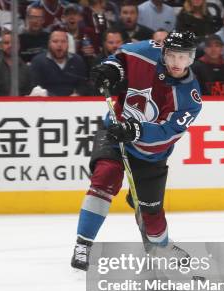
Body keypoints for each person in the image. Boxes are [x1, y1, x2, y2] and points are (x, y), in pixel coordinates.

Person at [71, 31, 202, 272]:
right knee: (104, 179)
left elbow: (167, 133)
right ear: (163, 51)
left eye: (183, 58)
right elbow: (120, 59)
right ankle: (83, 244)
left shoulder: (190, 99)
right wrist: (110, 70)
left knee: (150, 211)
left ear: (192, 59)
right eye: (172, 56)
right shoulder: (144, 52)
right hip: (114, 132)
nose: (176, 63)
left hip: (151, 154)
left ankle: (162, 245)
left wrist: (136, 130)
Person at [30, 28, 90, 96]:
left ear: (68, 44)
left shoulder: (77, 60)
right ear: (49, 43)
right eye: (55, 41)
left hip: (72, 103)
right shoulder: (38, 61)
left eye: (63, 41)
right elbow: (36, 88)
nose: (59, 45)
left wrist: (78, 94)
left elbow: (83, 85)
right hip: (47, 103)